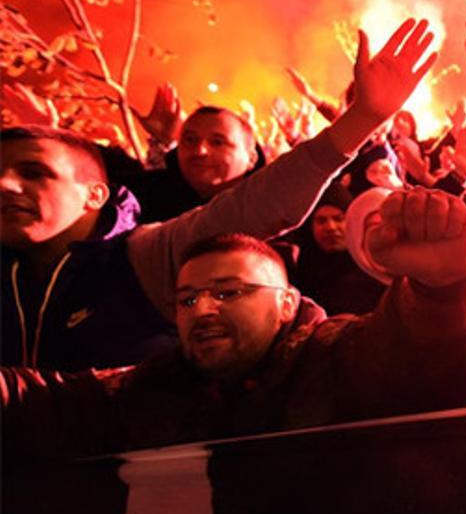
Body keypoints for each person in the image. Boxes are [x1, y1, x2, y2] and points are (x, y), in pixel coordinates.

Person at [1, 18, 439, 371]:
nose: (6, 185)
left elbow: (261, 204)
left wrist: (362, 120)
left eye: (35, 172)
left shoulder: (145, 257)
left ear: (95, 194)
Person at [1, 186, 466, 458]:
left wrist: (437, 285)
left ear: (288, 304)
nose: (203, 310)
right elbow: (51, 403)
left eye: (228, 292)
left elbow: (409, 342)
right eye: (187, 300)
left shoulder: (334, 357)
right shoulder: (158, 385)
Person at [122, 105, 266, 223]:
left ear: (251, 158)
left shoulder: (268, 212)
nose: (200, 151)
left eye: (217, 142)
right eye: (190, 139)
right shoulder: (136, 199)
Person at [287, 185, 387, 315]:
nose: (331, 227)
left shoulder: (375, 270)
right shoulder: (300, 275)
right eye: (321, 221)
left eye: (338, 219)